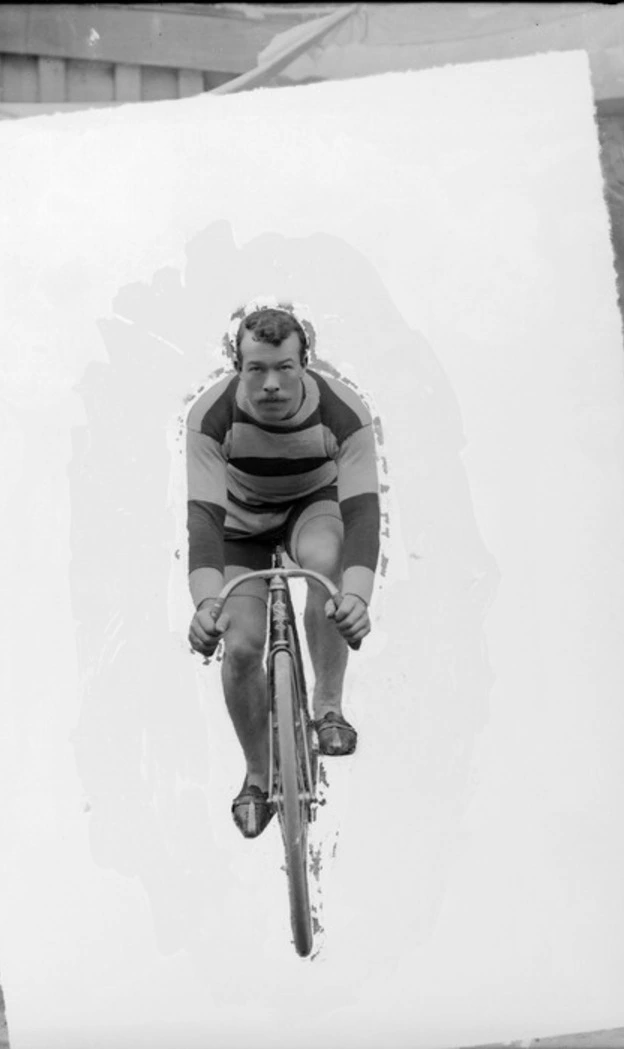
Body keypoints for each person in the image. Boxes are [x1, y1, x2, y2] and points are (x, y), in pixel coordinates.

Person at [185, 298, 380, 838]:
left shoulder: (343, 412)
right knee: (242, 645)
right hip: (237, 526)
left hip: (308, 508)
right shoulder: (211, 416)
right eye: (256, 369)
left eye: (284, 367)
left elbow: (362, 512)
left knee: (327, 560)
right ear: (237, 368)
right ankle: (256, 773)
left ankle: (328, 706)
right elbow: (202, 519)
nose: (270, 383)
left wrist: (358, 596)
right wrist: (207, 606)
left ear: (305, 364)